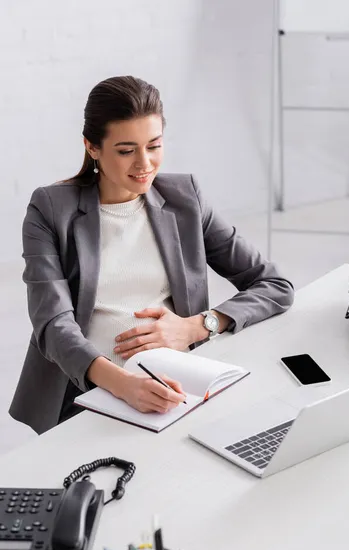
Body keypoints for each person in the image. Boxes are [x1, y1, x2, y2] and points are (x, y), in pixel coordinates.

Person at [9, 76, 294, 435]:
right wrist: (122, 384)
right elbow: (52, 324)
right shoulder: (50, 209)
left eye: (154, 145)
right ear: (92, 147)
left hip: (177, 379)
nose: (144, 163)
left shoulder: (184, 198)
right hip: (88, 387)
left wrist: (197, 325)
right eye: (126, 150)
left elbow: (274, 284)